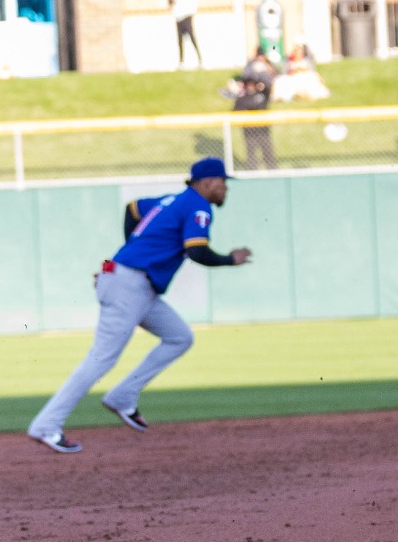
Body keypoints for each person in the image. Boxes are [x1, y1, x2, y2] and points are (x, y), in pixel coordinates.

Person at [26, 156, 251, 453]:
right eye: (223, 183)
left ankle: (123, 395)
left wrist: (131, 253)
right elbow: (197, 251)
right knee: (101, 358)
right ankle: (46, 425)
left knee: (179, 337)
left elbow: (132, 208)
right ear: (208, 182)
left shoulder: (172, 200)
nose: (225, 189)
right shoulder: (198, 206)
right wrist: (230, 259)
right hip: (129, 284)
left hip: (131, 282)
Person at [233, 50, 278, 170]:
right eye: (248, 83)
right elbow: (235, 112)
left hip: (263, 128)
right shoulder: (242, 97)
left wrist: (261, 71)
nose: (250, 85)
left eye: (252, 83)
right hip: (249, 129)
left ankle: (273, 171)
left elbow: (269, 84)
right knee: (251, 153)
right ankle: (252, 172)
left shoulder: (262, 94)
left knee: (268, 151)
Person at [166, 0, 202, 70]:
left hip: (187, 12)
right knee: (180, 39)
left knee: (191, 35)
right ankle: (181, 62)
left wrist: (192, 9)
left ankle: (200, 59)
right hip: (178, 14)